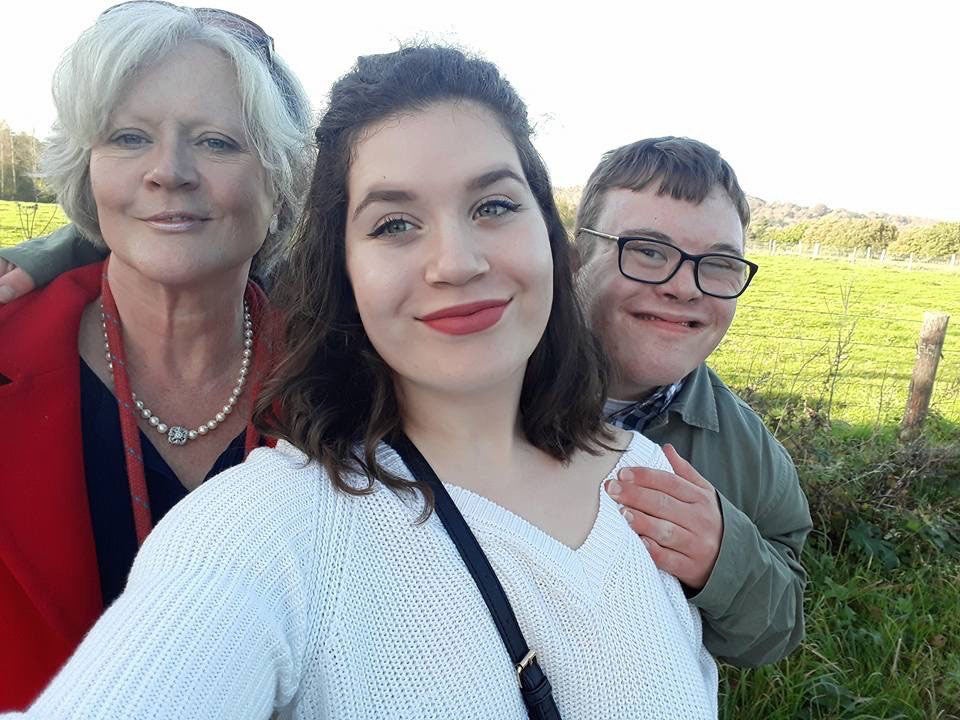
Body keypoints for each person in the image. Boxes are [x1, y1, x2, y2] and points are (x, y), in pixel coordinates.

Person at [11, 45, 719, 719]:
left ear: (552, 237)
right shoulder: (273, 525)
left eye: (494, 206)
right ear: (342, 273)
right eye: (395, 224)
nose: (456, 262)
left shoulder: (649, 483)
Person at [0, 2, 312, 709]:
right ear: (88, 168)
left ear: (281, 177)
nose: (169, 172)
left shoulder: (349, 389)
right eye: (130, 137)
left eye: (217, 142)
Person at [574, 137, 812, 666]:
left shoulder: (752, 460)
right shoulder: (477, 390)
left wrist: (723, 558)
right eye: (648, 251)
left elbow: (776, 631)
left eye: (720, 263)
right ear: (576, 257)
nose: (685, 288)